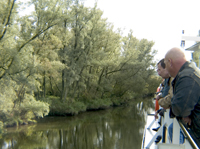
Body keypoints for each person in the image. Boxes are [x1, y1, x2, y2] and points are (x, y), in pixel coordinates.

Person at [165, 47, 200, 144]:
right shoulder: (190, 73)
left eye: (165, 64)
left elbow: (179, 109)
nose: (166, 68)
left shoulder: (188, 77)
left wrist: (184, 113)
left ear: (170, 62)